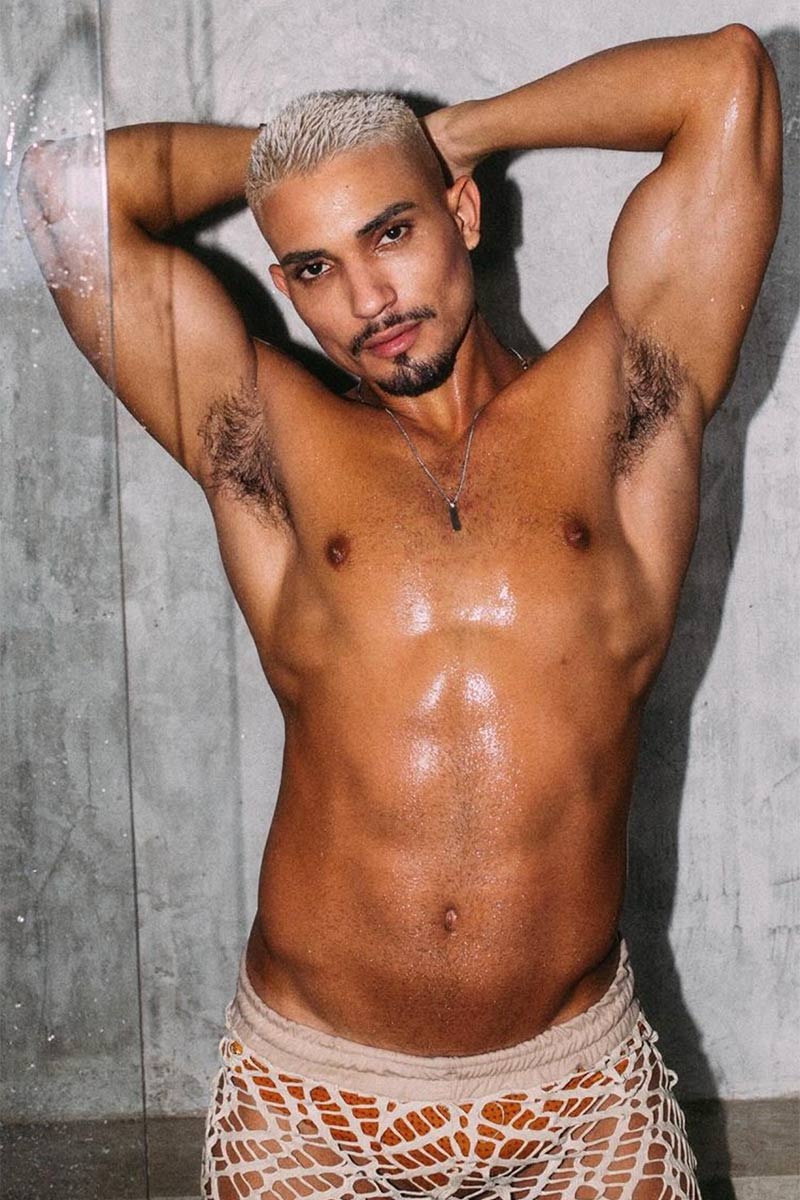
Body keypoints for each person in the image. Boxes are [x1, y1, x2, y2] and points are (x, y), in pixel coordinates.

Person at [18, 21, 781, 1199]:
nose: (366, 298)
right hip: (309, 1106)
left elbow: (724, 80)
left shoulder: (625, 395)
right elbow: (65, 189)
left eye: (390, 231)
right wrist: (304, 162)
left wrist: (443, 134)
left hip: (579, 1095)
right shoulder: (264, 438)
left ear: (460, 211)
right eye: (313, 268)